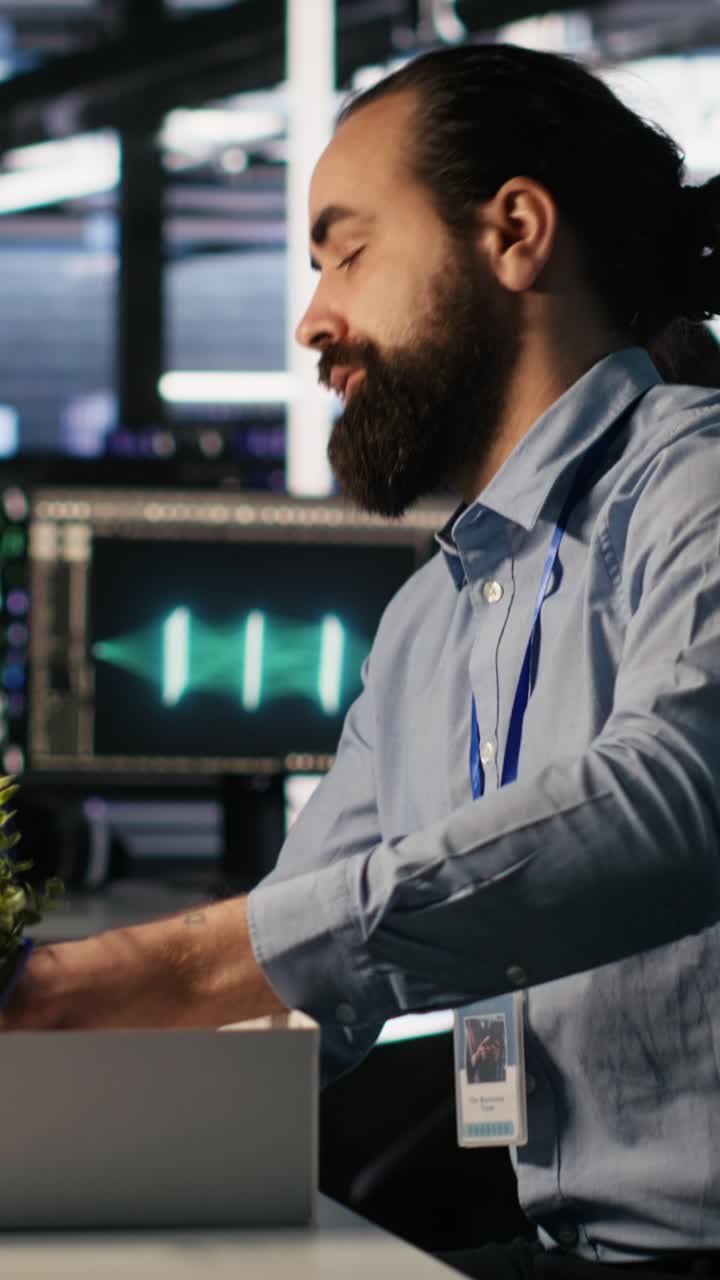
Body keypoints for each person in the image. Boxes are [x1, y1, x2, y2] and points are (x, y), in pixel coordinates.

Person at [5, 41, 720, 1278]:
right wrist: (52, 1077)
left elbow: (681, 794)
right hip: (574, 1245)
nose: (311, 319)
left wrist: (120, 972)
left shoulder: (695, 480)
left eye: (347, 250)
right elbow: (297, 991)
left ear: (514, 232)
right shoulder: (430, 620)